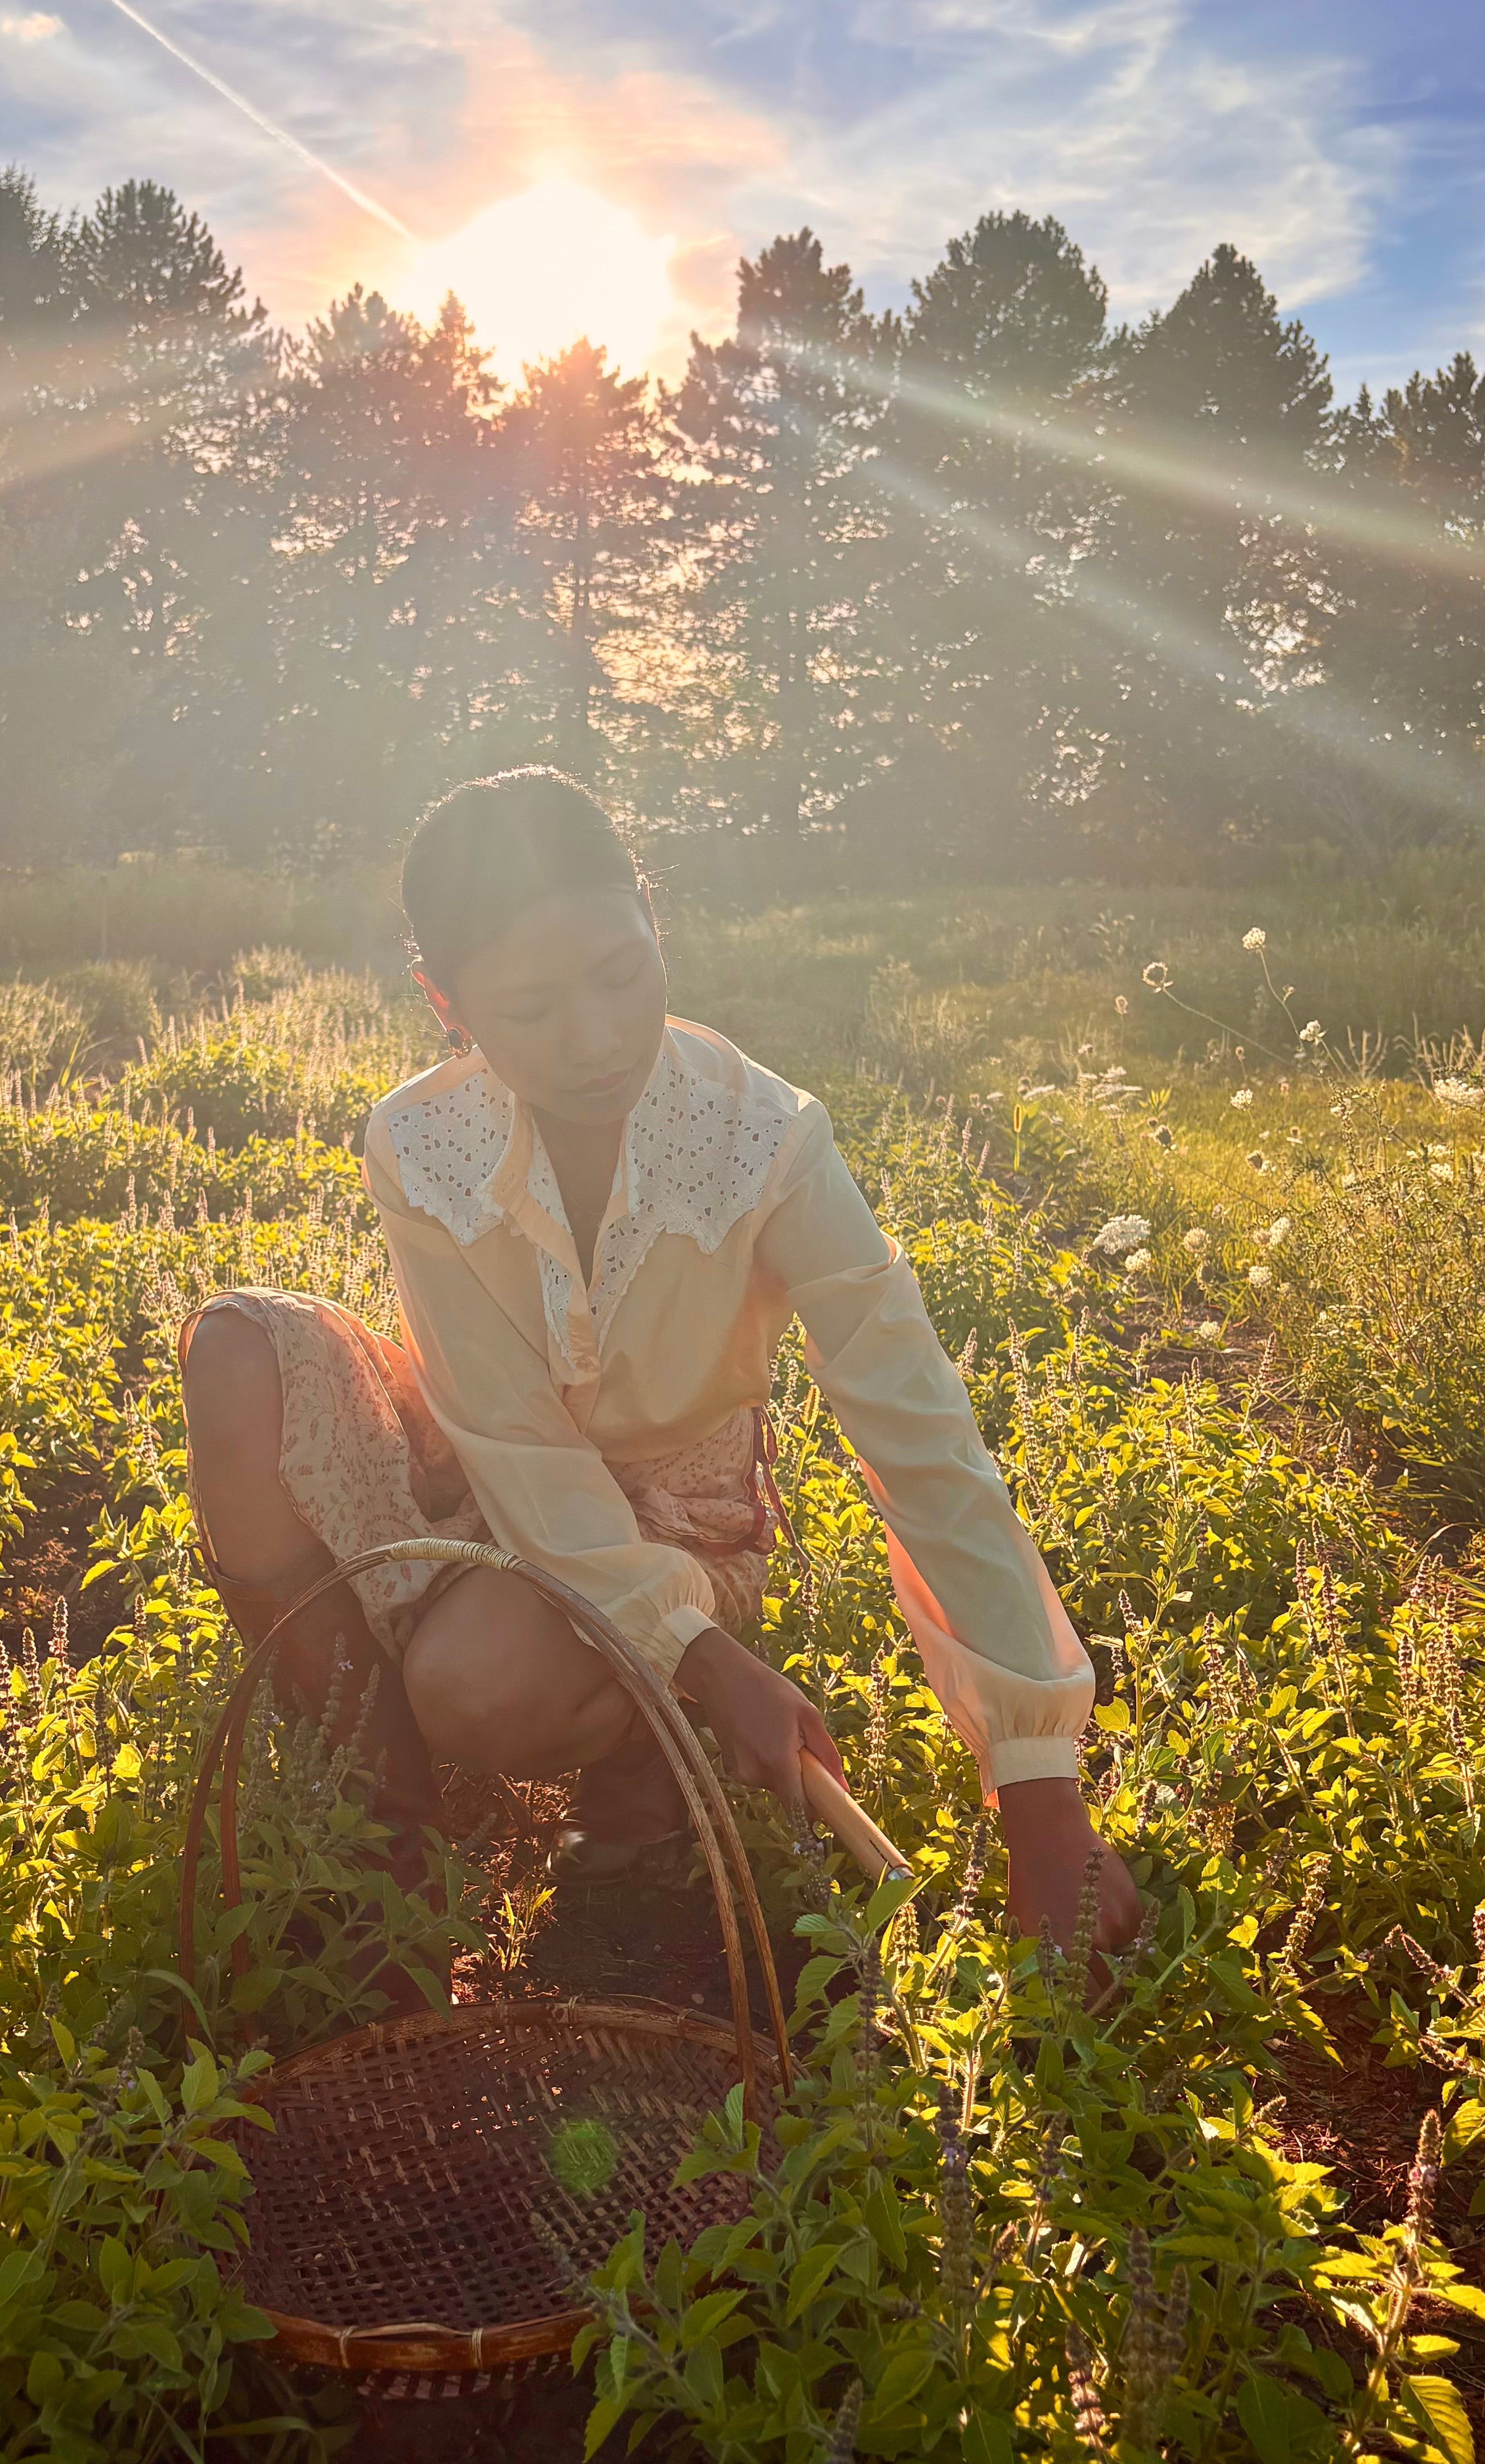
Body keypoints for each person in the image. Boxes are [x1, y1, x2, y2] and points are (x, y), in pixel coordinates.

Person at [180, 768, 1142, 1959]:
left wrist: (1041, 1800)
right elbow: (508, 1430)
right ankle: (381, 1823)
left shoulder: (765, 1140)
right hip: (488, 1463)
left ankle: (637, 1754)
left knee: (482, 1684)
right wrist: (710, 1668)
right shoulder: (419, 1138)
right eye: (530, 1008)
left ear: (653, 915)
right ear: (446, 1002)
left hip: (674, 1510)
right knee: (235, 1352)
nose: (596, 1039)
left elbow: (922, 1438)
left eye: (621, 974)